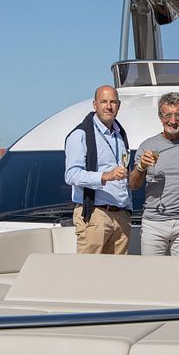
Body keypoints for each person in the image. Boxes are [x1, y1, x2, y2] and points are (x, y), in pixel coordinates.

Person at [129, 92, 179, 255]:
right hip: (153, 223)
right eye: (167, 115)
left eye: (178, 115)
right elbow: (133, 185)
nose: (173, 120)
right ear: (160, 116)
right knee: (152, 275)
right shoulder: (147, 145)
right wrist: (141, 167)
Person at [64, 85, 132, 254]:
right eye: (104, 101)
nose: (109, 106)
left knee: (116, 276)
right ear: (95, 104)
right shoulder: (80, 134)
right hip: (95, 214)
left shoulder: (120, 134)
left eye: (113, 102)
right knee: (89, 274)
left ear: (119, 105)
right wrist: (106, 176)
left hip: (121, 215)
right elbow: (71, 175)